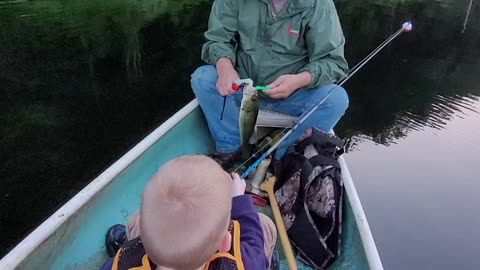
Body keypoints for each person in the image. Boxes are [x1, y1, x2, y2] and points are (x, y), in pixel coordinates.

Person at [191, 0, 350, 168]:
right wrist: (225, 67)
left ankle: (280, 155)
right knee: (203, 79)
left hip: (292, 94)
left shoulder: (319, 5)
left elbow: (333, 62)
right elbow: (218, 39)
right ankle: (230, 148)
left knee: (336, 100)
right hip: (244, 89)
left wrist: (298, 80)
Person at [101, 155, 277, 270]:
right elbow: (254, 241)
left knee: (137, 220)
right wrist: (239, 200)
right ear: (225, 243)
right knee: (265, 225)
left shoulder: (123, 264)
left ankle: (130, 238)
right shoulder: (244, 263)